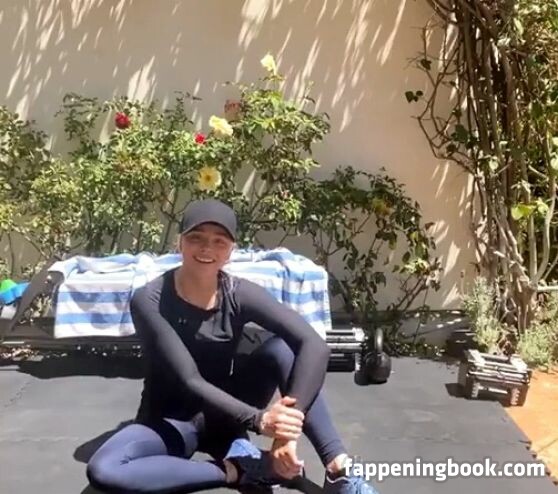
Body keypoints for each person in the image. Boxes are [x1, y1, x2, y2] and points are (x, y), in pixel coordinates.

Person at [86, 198, 379, 494]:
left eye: (219, 241)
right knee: (105, 469)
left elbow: (314, 344)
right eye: (196, 238)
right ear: (180, 243)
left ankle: (338, 469)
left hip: (225, 416)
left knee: (282, 349)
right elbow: (189, 378)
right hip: (172, 422)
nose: (207, 249)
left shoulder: (238, 293)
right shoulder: (149, 299)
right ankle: (239, 469)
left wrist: (286, 433)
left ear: (230, 252)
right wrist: (260, 420)